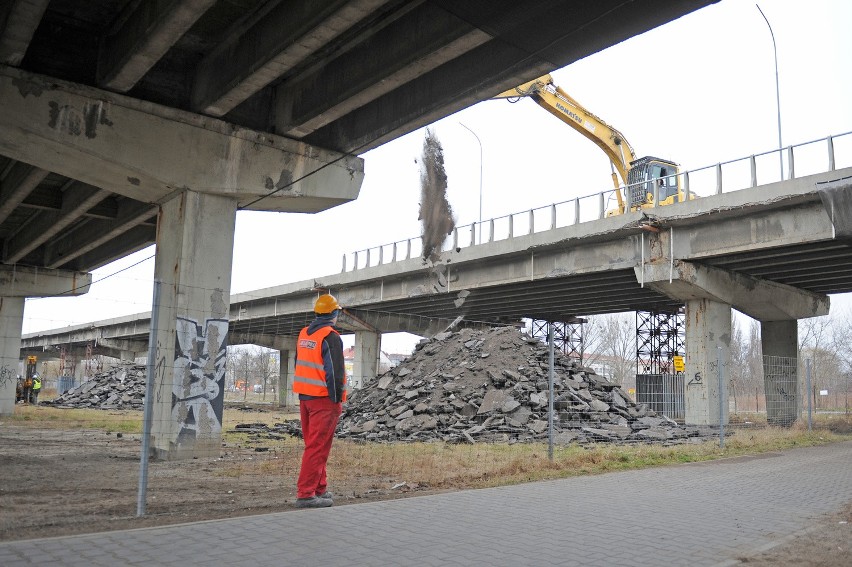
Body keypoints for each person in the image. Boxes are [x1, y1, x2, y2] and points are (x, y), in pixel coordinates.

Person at [293, 293, 348, 508]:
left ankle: (319, 488)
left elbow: (300, 363)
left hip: (306, 398)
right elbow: (334, 373)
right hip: (324, 400)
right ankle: (306, 494)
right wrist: (336, 400)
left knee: (315, 445)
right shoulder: (330, 337)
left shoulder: (304, 334)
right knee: (317, 447)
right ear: (334, 314)